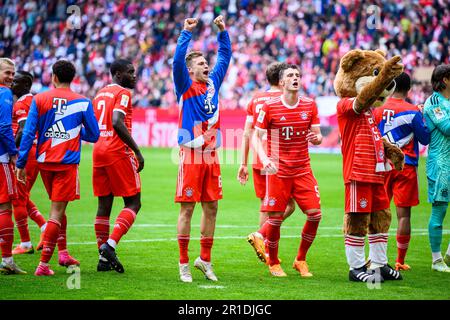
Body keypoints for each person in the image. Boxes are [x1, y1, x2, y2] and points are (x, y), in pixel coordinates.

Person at [16, 59, 99, 276]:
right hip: (67, 163)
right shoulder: (82, 102)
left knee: (58, 209)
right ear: (72, 78)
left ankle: (63, 253)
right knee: (57, 211)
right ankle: (43, 265)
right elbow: (94, 135)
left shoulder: (39, 99)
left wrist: (21, 163)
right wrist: (75, 133)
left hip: (44, 162)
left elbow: (28, 133)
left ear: (53, 77)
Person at [173, 16, 231, 282]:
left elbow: (225, 55)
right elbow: (176, 61)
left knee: (212, 208)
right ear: (190, 70)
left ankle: (204, 260)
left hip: (212, 155)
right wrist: (186, 33)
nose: (207, 66)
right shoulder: (185, 86)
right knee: (187, 209)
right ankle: (184, 263)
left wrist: (222, 31)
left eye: (206, 63)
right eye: (200, 64)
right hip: (191, 153)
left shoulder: (213, 84)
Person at [253, 64, 323, 277]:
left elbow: (318, 136)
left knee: (315, 215)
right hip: (278, 171)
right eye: (291, 75)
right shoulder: (270, 106)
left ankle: (300, 260)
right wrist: (264, 159)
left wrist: (316, 139)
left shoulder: (310, 105)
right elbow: (256, 136)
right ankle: (273, 263)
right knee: (274, 220)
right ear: (282, 82)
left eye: (298, 75)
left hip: (302, 170)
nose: (295, 78)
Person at [237, 62, 296, 264]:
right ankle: (262, 238)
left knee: (268, 203)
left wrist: (243, 162)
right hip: (280, 159)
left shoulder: (256, 99)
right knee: (287, 205)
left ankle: (263, 240)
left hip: (258, 159)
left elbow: (247, 133)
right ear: (282, 79)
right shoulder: (285, 99)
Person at [373, 72, 430, 271]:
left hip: (381, 166)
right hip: (405, 167)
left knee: (379, 213)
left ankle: (375, 258)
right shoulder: (413, 111)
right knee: (403, 216)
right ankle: (399, 260)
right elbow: (425, 139)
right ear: (409, 89)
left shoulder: (377, 109)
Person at [92, 59, 144, 273]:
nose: (134, 75)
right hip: (117, 151)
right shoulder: (123, 93)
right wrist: (137, 151)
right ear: (118, 74)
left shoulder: (99, 94)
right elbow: (116, 121)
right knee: (133, 203)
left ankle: (103, 260)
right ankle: (110, 245)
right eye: (130, 72)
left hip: (98, 151)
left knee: (104, 206)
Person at [11, 70, 48, 255]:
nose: (12, 84)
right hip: (35, 153)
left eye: (15, 82)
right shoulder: (35, 101)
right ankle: (44, 227)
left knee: (17, 198)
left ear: (26, 85)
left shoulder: (21, 103)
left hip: (25, 154)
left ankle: (25, 244)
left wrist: (11, 149)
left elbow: (23, 130)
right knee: (22, 196)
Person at [423, 64, 450, 272]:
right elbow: (447, 128)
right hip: (440, 164)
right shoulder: (434, 102)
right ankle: (436, 259)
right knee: (439, 211)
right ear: (445, 79)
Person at [0, 57, 26, 275]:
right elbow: (5, 127)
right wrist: (14, 154)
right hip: (1, 158)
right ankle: (7, 259)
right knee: (5, 207)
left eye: (12, 73)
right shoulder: (5, 94)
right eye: (7, 73)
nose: (11, 77)